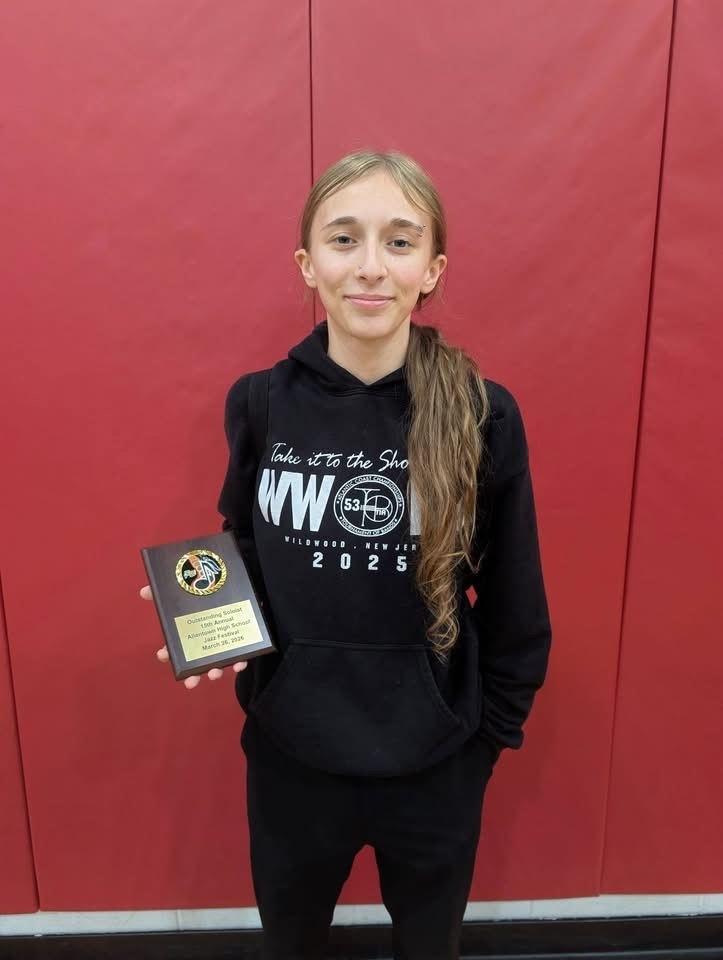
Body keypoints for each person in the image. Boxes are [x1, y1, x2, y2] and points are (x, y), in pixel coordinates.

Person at [142, 149, 552, 960]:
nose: (369, 266)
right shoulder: (259, 401)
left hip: (435, 765)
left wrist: (481, 745)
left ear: (431, 269)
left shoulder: (483, 414)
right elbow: (243, 548)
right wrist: (207, 615)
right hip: (291, 759)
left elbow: (516, 603)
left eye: (398, 241)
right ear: (308, 264)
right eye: (343, 238)